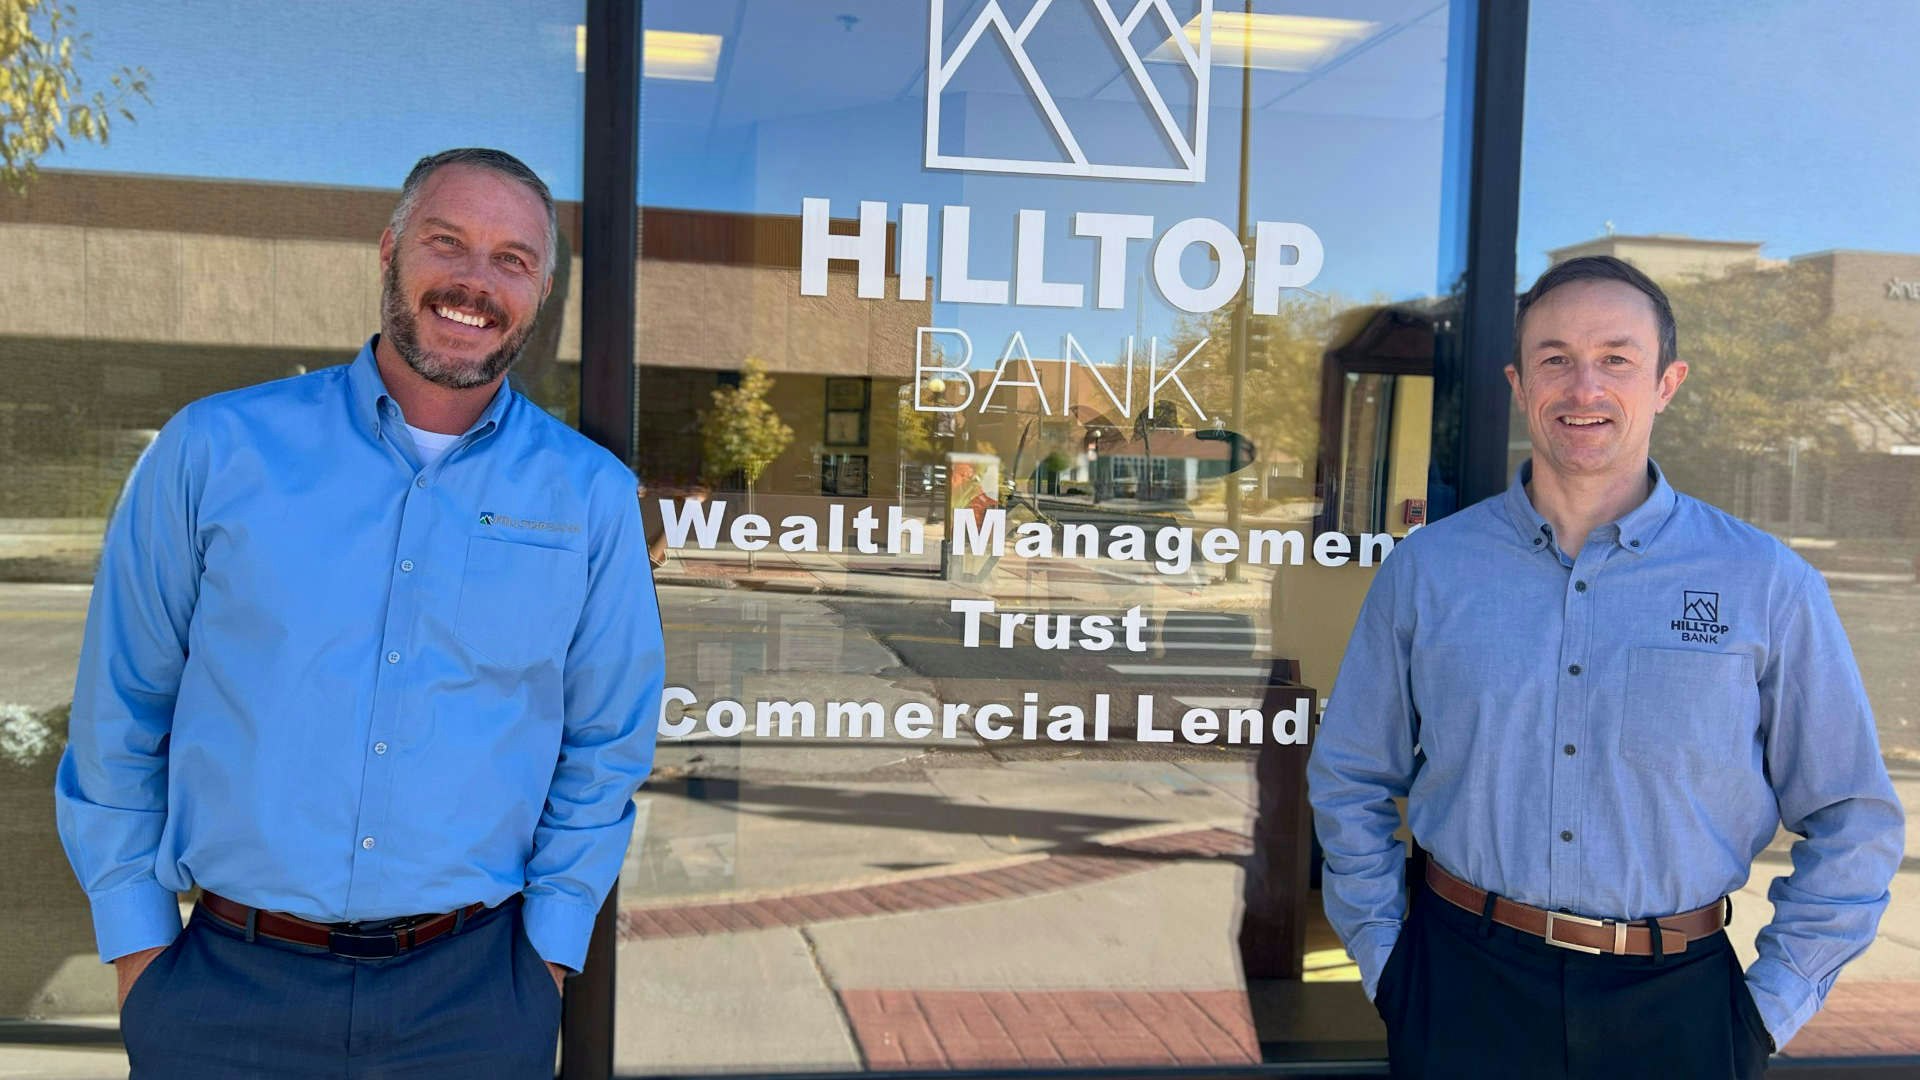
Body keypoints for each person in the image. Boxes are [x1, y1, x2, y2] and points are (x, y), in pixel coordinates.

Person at [53, 147, 665, 1078]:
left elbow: (607, 740)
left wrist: (545, 957)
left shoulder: (590, 495)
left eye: (511, 259)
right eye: (446, 241)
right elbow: (121, 707)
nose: (475, 280)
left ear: (540, 293)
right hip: (225, 993)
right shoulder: (213, 449)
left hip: (473, 1001)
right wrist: (138, 946)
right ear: (389, 251)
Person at [1307, 256, 1903, 1078]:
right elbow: (1350, 777)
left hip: (1680, 1006)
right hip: (1459, 988)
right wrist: (1387, 959)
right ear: (1519, 384)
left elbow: (1853, 816)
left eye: (1616, 358)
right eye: (1555, 358)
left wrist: (1767, 1008)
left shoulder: (1766, 583)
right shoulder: (1429, 570)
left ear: (1666, 383)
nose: (1583, 387)